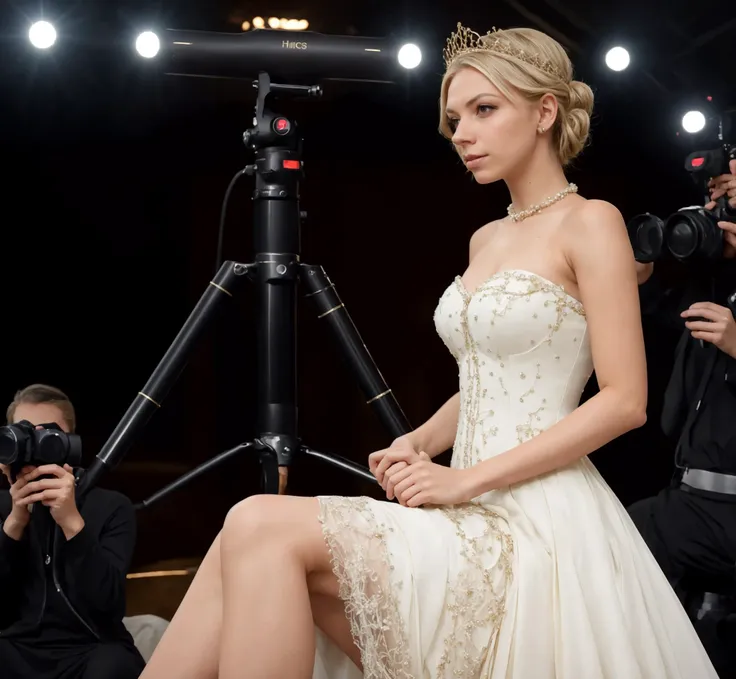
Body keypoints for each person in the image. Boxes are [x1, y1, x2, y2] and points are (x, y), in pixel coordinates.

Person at [139, 24, 718, 678]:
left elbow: (623, 402)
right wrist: (421, 440)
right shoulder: (486, 239)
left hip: (534, 521)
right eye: (453, 118)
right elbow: (488, 381)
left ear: (545, 111)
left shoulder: (593, 223)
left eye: (484, 109)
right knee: (242, 541)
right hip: (462, 502)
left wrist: (463, 478)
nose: (462, 134)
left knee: (255, 524)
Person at [628, 162, 736, 676]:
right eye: (717, 203)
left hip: (725, 512)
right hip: (691, 495)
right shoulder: (716, 283)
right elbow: (667, 319)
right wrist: (638, 278)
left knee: (618, 538)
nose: (719, 214)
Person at [0, 384, 146, 679]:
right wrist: (15, 523)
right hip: (17, 650)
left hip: (90, 648)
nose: (35, 448)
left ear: (70, 442)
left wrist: (72, 522)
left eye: (47, 435)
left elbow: (108, 606)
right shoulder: (3, 507)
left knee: (114, 664)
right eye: (24, 434)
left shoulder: (112, 506)